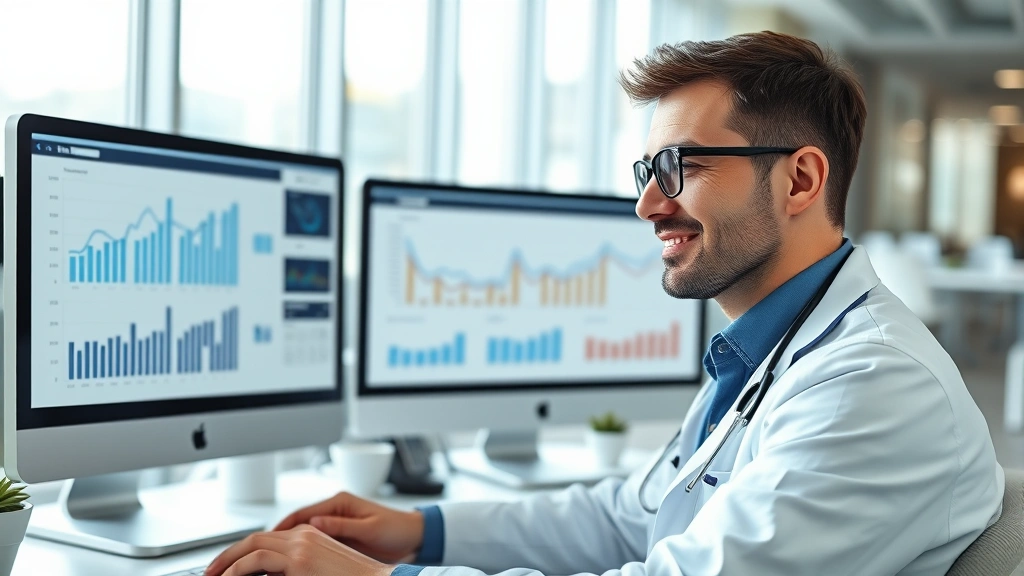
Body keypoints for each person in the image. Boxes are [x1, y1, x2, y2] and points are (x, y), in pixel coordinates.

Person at [204, 31, 1004, 576]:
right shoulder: (771, 347)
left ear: (799, 180)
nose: (647, 206)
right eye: (645, 171)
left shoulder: (873, 386)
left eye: (679, 166)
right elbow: (637, 515)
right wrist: (421, 530)